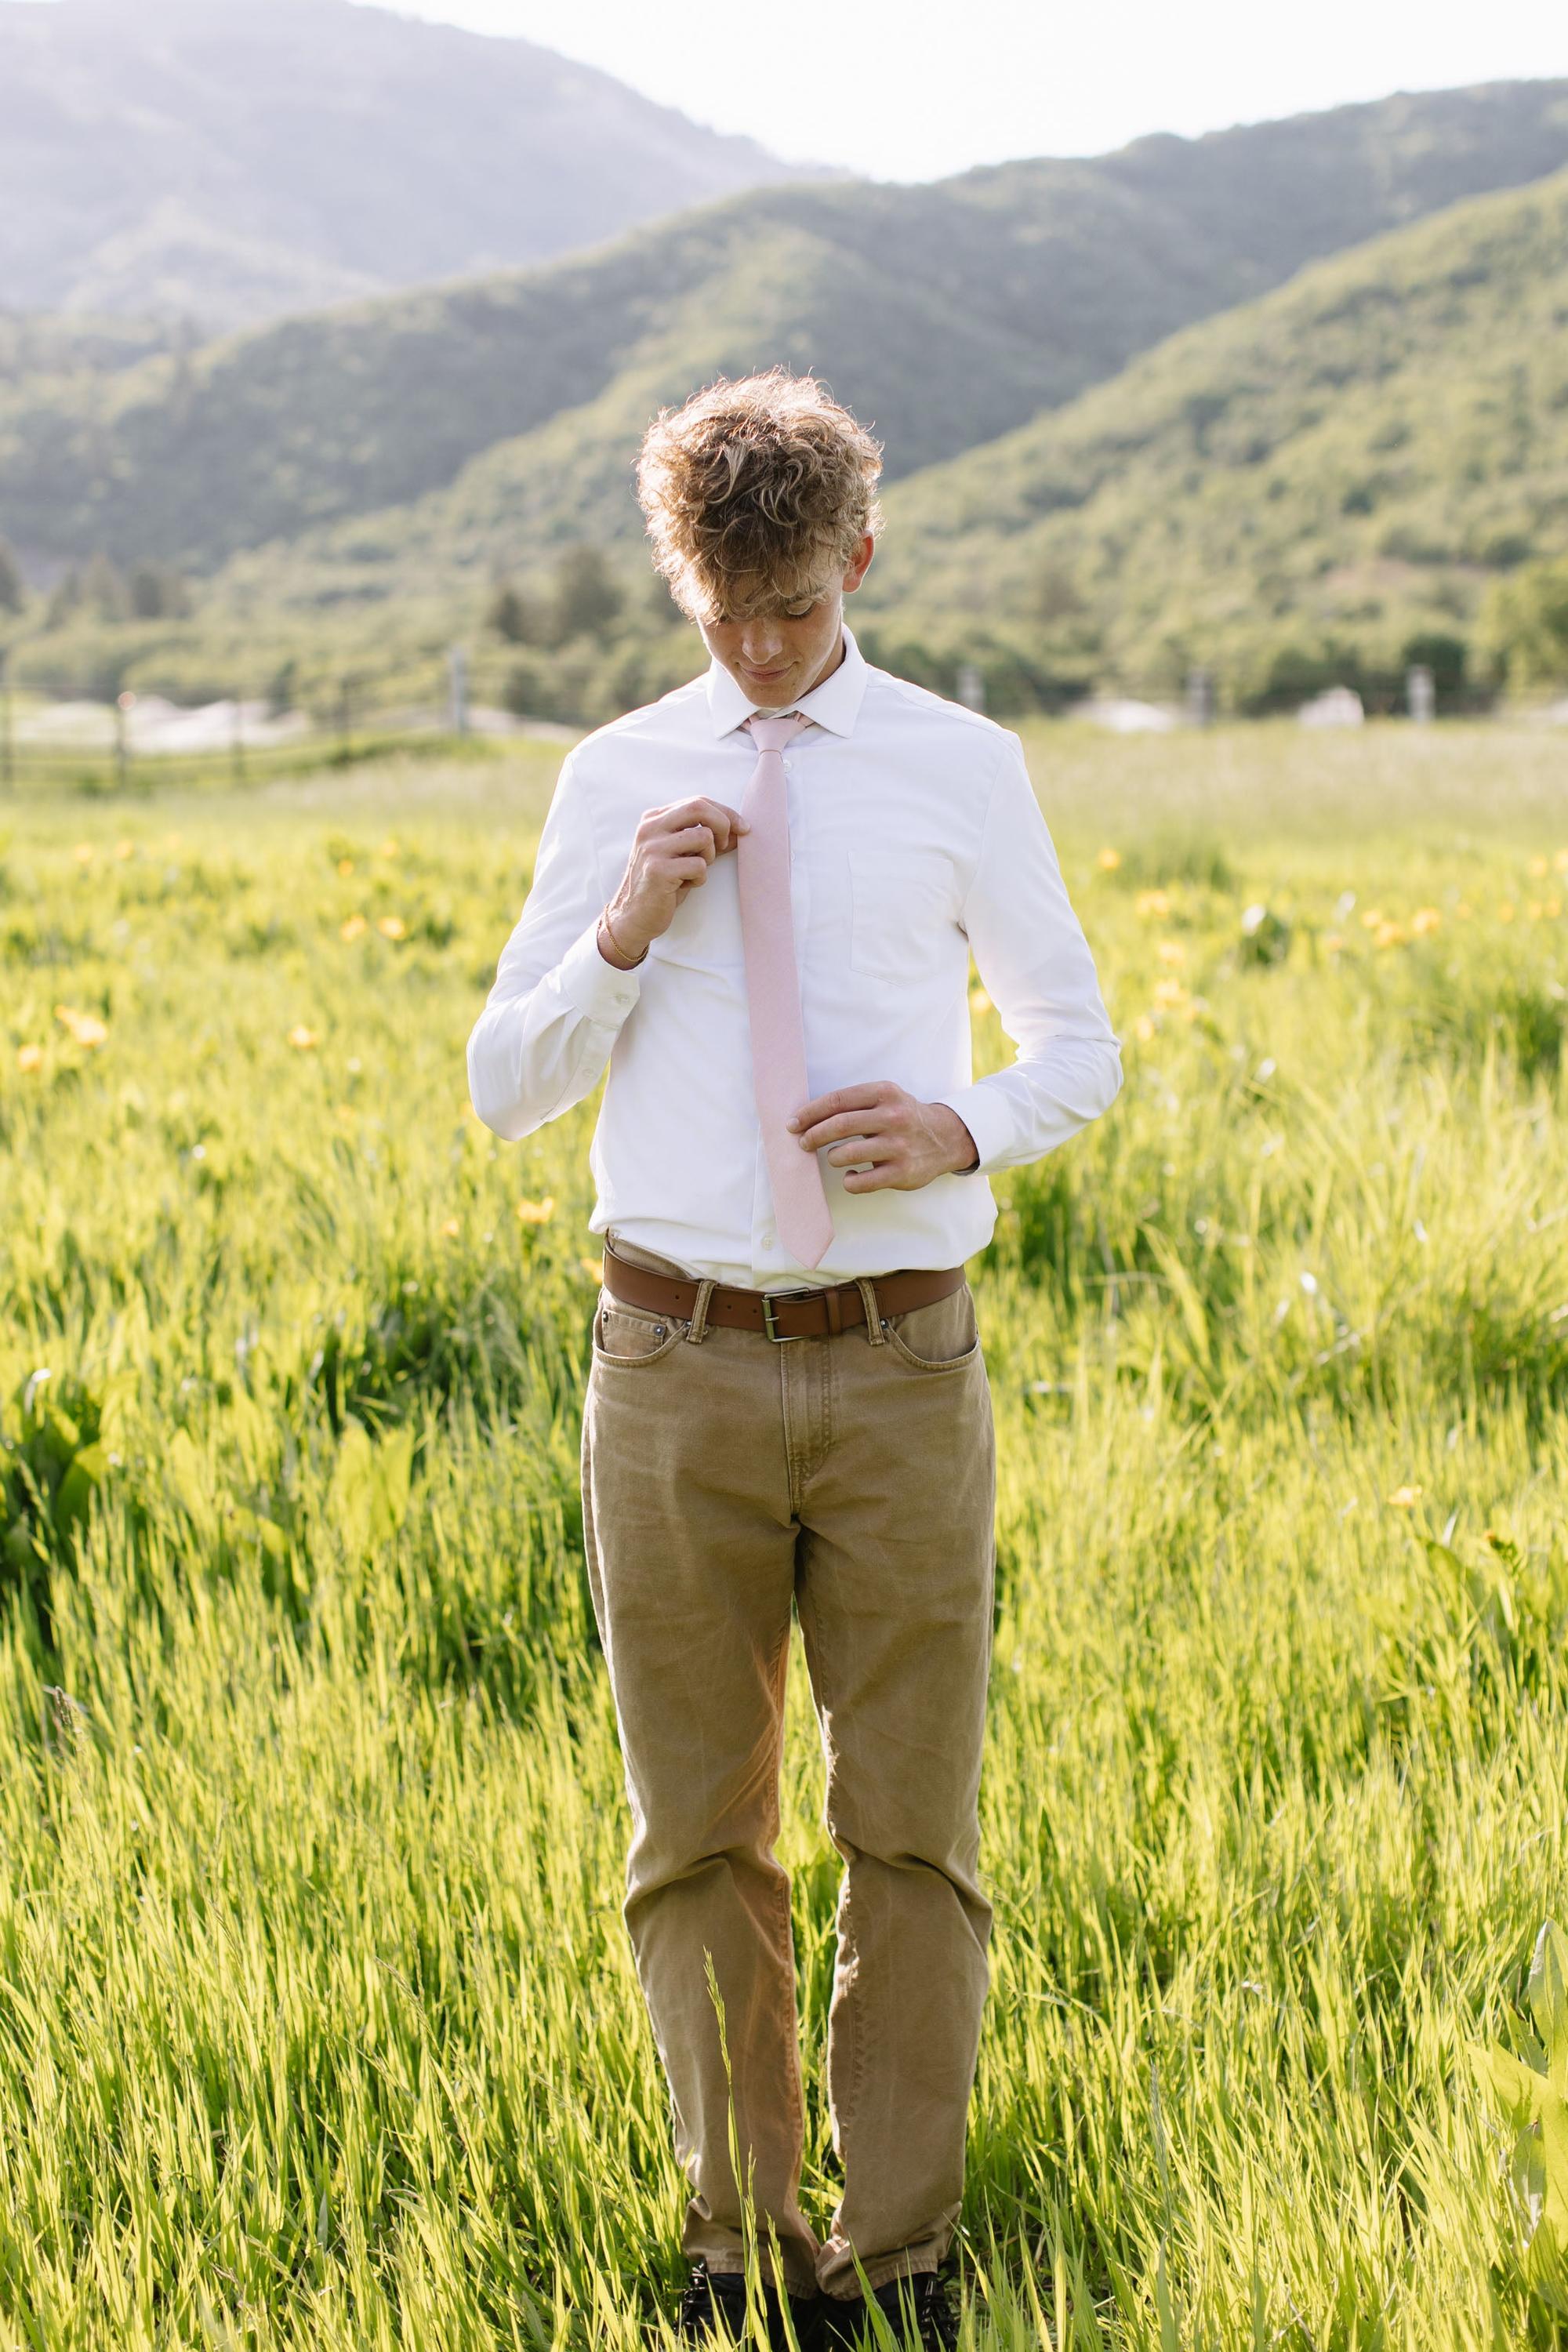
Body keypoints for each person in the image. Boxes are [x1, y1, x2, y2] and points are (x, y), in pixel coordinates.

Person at [467, 372, 1121, 2350]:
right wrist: (620, 930)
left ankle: (905, 2257)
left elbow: (1076, 1051)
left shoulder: (963, 765)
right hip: (667, 1367)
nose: (760, 653)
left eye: (794, 609)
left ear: (861, 553)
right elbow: (506, 1089)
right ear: (684, 582)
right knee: (696, 1833)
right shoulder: (614, 777)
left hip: (906, 1366)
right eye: (724, 615)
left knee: (911, 1827)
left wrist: (963, 1127)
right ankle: (740, 2253)